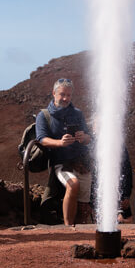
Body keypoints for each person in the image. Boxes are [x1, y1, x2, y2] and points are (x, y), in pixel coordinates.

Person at [35, 78, 93, 226]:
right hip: (61, 163)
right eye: (62, 94)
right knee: (73, 184)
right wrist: (60, 143)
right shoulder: (44, 115)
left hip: (82, 162)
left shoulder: (78, 114)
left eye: (69, 95)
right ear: (54, 93)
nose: (66, 98)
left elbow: (88, 138)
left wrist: (83, 137)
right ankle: (68, 227)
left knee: (84, 203)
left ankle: (81, 231)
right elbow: (41, 139)